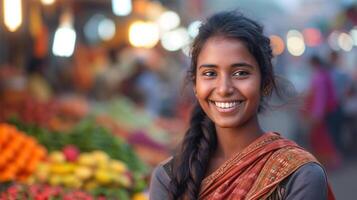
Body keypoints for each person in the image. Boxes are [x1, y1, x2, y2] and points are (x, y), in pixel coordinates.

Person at [149, 11, 335, 200]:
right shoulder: (169, 178)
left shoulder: (299, 175)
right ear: (195, 86)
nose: (223, 89)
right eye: (210, 74)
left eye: (240, 73)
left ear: (266, 83)